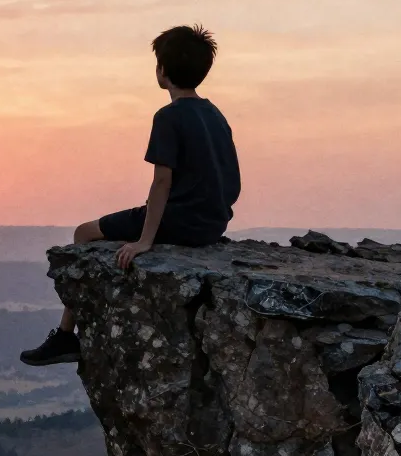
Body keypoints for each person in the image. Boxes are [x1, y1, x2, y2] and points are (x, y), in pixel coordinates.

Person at [20, 25, 241, 367]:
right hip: (212, 224)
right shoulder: (216, 115)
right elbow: (230, 178)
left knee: (82, 233)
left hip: (178, 220)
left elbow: (161, 183)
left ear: (162, 71)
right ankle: (65, 336)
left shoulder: (168, 117)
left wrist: (144, 241)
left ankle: (66, 336)